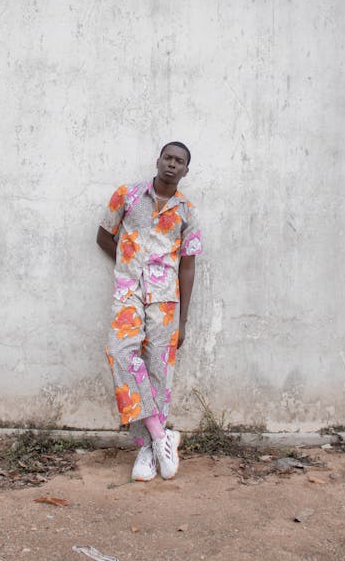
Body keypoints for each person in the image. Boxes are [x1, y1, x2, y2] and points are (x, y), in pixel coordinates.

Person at [97, 142, 202, 481]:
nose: (172, 165)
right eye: (168, 158)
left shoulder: (187, 211)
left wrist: (183, 319)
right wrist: (130, 266)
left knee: (158, 371)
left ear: (186, 170)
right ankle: (161, 435)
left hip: (165, 300)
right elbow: (103, 236)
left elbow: (188, 266)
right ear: (158, 160)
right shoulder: (127, 196)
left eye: (180, 162)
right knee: (120, 352)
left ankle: (146, 449)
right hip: (128, 292)